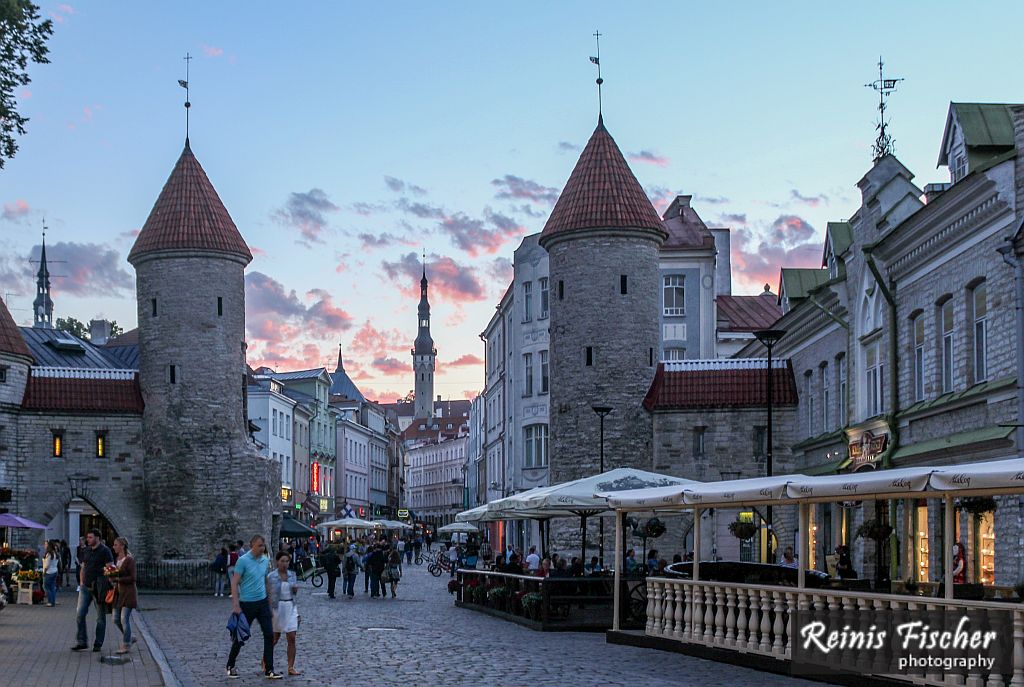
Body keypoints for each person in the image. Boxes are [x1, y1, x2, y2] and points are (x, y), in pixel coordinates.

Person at [226, 534, 281, 680]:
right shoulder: (242, 561)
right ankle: (230, 665)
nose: (262, 548)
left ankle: (269, 669)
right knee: (241, 637)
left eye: (263, 546)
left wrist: (270, 601)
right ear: (252, 546)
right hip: (247, 603)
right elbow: (234, 582)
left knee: (269, 635)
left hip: (262, 602)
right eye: (259, 545)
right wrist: (236, 604)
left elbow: (265, 581)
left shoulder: (264, 560)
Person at [71, 529, 113, 652]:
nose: (88, 539)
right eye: (87, 537)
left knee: (100, 617)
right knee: (80, 613)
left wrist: (109, 582)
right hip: (85, 587)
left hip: (99, 587)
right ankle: (82, 641)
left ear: (97, 538)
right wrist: (82, 580)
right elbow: (83, 566)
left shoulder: (105, 551)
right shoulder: (87, 550)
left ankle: (98, 643)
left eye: (90, 537)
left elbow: (110, 567)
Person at [268, 551, 301, 676]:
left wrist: (295, 589)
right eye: (282, 561)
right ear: (277, 562)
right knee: (275, 638)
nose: (285, 564)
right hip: (278, 607)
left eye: (287, 561)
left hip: (290, 606)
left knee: (291, 637)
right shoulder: (271, 576)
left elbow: (294, 592)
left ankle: (290, 666)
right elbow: (269, 594)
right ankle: (266, 659)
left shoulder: (292, 575)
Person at [110, 537, 137, 655]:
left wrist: (118, 579)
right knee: (116, 619)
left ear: (122, 546)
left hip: (128, 593)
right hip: (118, 593)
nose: (114, 547)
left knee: (123, 618)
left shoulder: (129, 560)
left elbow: (133, 578)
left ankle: (126, 644)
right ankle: (129, 636)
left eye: (116, 545)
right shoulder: (118, 559)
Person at [43, 540, 60, 607]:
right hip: (55, 571)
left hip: (49, 572)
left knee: (46, 587)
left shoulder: (49, 554)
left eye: (46, 545)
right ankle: (53, 601)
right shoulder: (56, 553)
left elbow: (47, 565)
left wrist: (44, 572)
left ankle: (50, 601)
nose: (45, 546)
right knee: (52, 587)